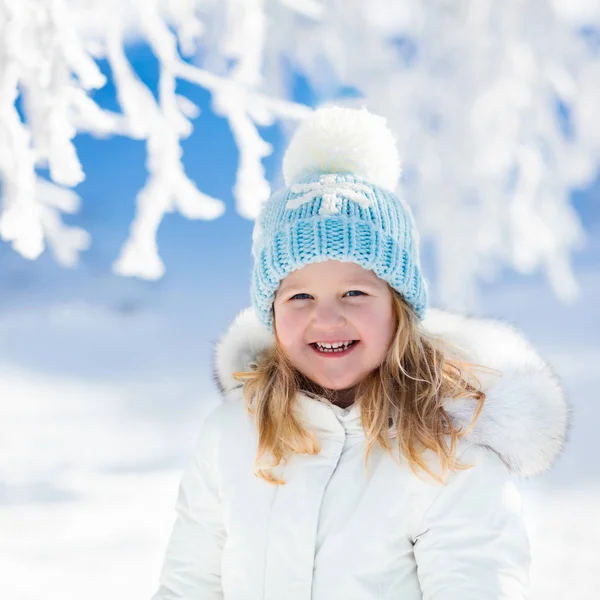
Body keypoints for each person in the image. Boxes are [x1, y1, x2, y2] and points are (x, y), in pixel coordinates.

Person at [151, 106, 569, 599]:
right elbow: (190, 584)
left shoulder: (449, 452)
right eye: (299, 296)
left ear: (400, 308)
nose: (327, 319)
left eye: (355, 294)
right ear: (270, 311)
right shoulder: (234, 433)